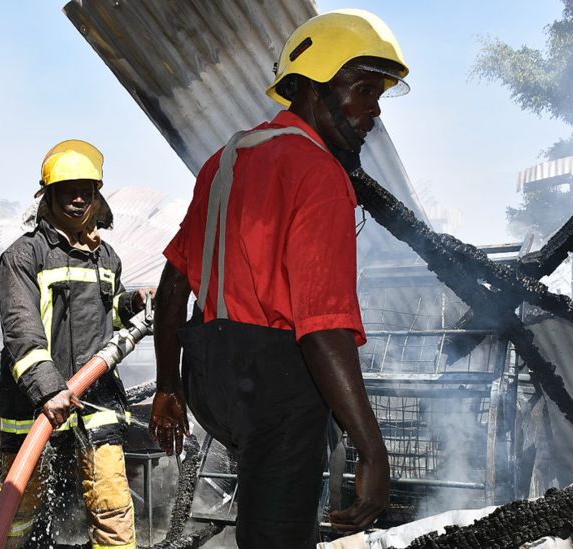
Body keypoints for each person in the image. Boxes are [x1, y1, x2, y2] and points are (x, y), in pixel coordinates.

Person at [148, 9, 411, 548]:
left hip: (214, 381)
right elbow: (322, 326)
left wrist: (168, 387)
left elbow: (174, 288)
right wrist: (371, 448)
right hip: (279, 387)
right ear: (311, 88)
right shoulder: (320, 174)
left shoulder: (224, 160)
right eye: (362, 90)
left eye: (379, 94)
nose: (373, 111)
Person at [0, 139, 152, 549]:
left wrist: (132, 303)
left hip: (95, 400)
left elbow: (104, 316)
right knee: (18, 505)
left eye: (87, 189)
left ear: (97, 197)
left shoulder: (107, 257)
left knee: (112, 504)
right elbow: (20, 327)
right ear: (48, 197)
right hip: (35, 403)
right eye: (68, 189)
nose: (79, 198)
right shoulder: (24, 256)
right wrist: (48, 389)